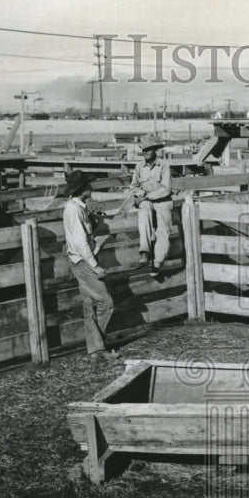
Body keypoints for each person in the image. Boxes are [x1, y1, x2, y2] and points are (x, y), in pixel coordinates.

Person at [63, 170, 119, 361]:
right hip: (84, 262)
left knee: (90, 306)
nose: (91, 188)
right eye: (89, 185)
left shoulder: (78, 207)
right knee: (106, 302)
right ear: (83, 189)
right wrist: (95, 266)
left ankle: (95, 351)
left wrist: (93, 219)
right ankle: (98, 346)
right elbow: (80, 242)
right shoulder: (74, 209)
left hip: (79, 261)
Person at [130, 139, 173, 282]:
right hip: (146, 201)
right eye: (143, 150)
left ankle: (157, 263)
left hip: (162, 201)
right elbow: (134, 186)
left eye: (148, 149)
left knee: (163, 232)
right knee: (143, 214)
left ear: (155, 150)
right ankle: (144, 252)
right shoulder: (139, 167)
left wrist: (148, 195)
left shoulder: (164, 166)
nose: (145, 153)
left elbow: (166, 189)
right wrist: (139, 194)